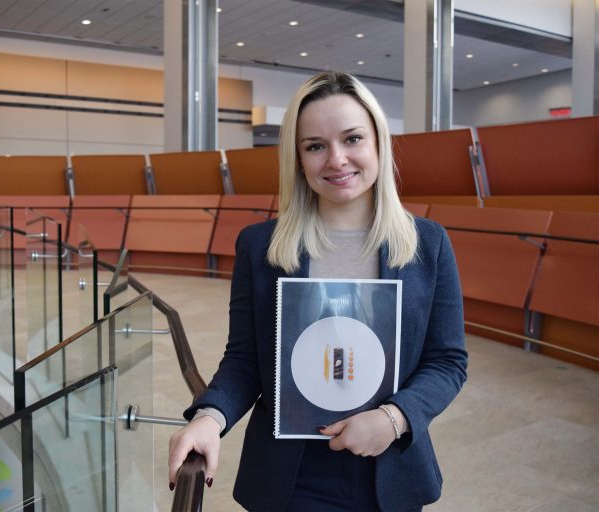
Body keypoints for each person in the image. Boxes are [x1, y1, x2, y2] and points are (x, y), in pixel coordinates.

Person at [168, 71, 468, 511]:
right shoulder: (261, 246)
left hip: (389, 470)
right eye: (315, 146)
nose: (336, 159)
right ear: (298, 158)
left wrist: (394, 419)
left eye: (352, 139)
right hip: (290, 477)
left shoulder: (428, 244)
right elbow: (246, 360)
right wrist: (209, 417)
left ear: (378, 144)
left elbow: (447, 361)